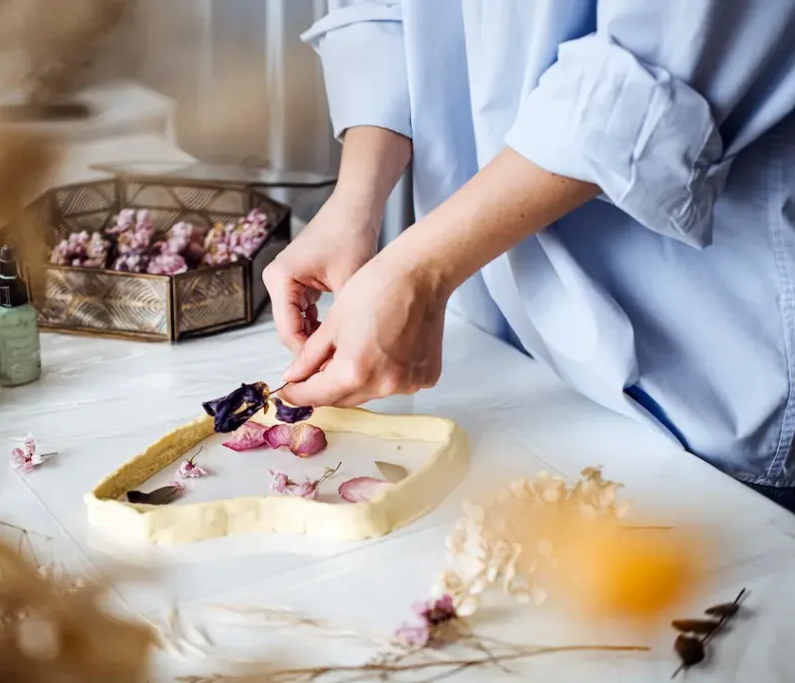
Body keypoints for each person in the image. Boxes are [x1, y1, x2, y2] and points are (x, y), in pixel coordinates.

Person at [262, 1, 795, 510]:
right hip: (501, 340)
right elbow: (392, 13)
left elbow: (653, 74)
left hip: (696, 370)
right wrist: (354, 204)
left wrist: (424, 269)